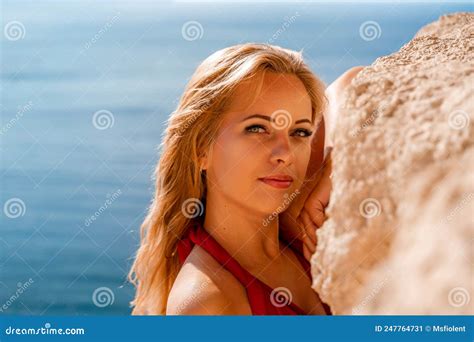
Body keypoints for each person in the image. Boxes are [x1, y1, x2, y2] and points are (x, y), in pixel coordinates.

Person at [128, 42, 362, 315]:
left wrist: (333, 168)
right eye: (257, 128)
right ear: (200, 149)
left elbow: (355, 82)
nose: (285, 154)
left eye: (299, 132)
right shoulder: (207, 301)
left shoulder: (296, 216)